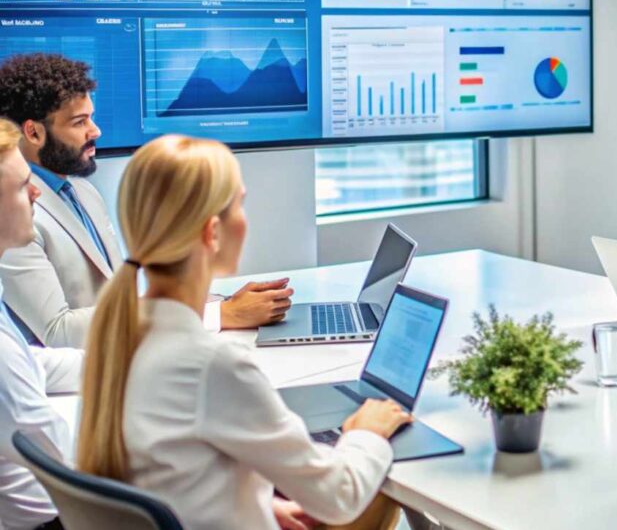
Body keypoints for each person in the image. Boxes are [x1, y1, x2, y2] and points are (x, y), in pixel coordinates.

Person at [75, 134, 410, 530]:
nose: (245, 219)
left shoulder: (119, 333)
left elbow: (168, 475)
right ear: (211, 233)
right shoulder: (214, 364)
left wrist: (256, 506)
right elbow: (339, 496)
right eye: (239, 204)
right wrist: (365, 432)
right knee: (378, 481)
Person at [0, 53, 292, 348]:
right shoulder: (14, 215)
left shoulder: (81, 191)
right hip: (73, 384)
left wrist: (222, 303)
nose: (96, 131)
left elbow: (119, 301)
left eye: (92, 116)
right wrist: (214, 315)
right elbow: (58, 332)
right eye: (79, 122)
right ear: (33, 132)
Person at [0, 117, 83, 530]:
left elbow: (30, 363)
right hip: (55, 520)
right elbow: (59, 454)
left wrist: (124, 367)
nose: (36, 192)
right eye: (20, 187)